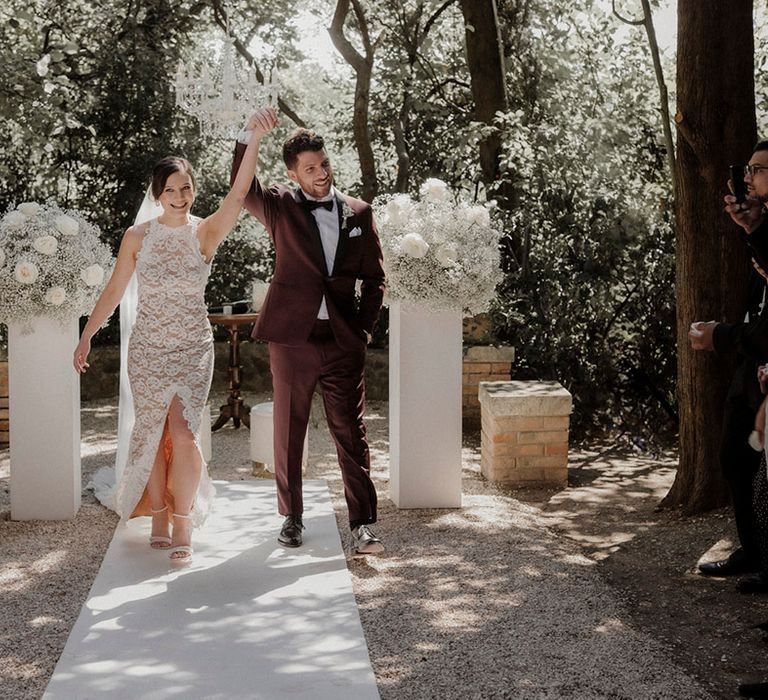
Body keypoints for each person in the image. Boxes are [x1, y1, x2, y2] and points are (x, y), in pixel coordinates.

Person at [73, 120, 265, 561]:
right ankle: (157, 512)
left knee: (183, 433)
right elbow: (115, 290)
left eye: (187, 188)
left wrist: (252, 141)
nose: (181, 198)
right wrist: (86, 335)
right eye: (172, 191)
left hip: (193, 348)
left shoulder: (205, 232)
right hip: (148, 350)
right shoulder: (137, 237)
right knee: (152, 432)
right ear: (158, 194)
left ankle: (183, 520)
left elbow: (238, 195)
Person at [231, 107, 386, 555]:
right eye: (310, 168)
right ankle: (292, 518)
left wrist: (365, 330)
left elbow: (375, 279)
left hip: (343, 341)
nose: (320, 174)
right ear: (293, 173)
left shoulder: (359, 212)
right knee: (289, 430)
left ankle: (362, 525)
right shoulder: (278, 205)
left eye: (324, 165)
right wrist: (250, 136)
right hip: (292, 339)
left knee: (351, 433)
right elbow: (241, 189)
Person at [690, 141, 768, 585]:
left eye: (758, 170)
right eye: (750, 170)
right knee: (734, 456)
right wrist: (749, 226)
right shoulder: (757, 225)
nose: (749, 178)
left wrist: (717, 335)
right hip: (750, 360)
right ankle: (755, 551)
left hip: (760, 357)